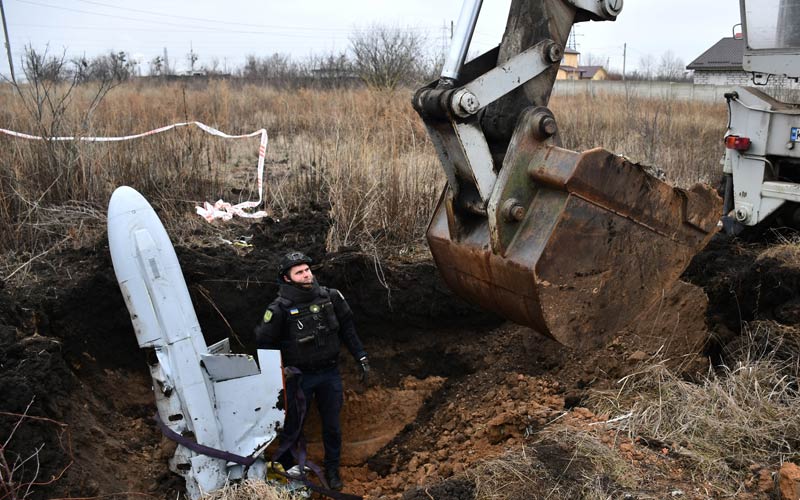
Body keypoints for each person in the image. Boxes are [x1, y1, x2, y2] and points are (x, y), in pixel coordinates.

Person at [255, 251, 369, 491]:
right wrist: (279, 373)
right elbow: (265, 344)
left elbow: (348, 329)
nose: (306, 274)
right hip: (300, 378)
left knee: (332, 426)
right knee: (293, 426)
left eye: (307, 269)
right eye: (299, 272)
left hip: (329, 374)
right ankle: (286, 469)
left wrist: (361, 356)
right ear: (287, 278)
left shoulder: (331, 297)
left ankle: (332, 469)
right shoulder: (279, 310)